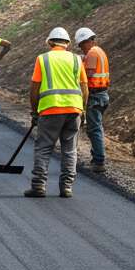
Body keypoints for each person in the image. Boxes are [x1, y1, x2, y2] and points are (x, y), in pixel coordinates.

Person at [25, 27, 88, 199]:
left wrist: (34, 111)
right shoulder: (77, 60)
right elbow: (84, 87)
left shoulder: (43, 59)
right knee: (69, 150)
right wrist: (83, 110)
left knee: (44, 148)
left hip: (50, 109)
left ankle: (38, 186)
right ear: (67, 43)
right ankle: (66, 187)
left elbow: (34, 88)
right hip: (74, 110)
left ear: (50, 42)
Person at [76, 27, 110, 172]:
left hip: (95, 96)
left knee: (94, 129)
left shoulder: (91, 54)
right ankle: (96, 157)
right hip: (102, 94)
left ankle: (99, 161)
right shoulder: (99, 51)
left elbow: (88, 74)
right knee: (95, 128)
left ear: (86, 41)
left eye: (81, 45)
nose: (82, 49)